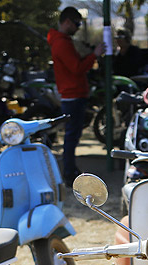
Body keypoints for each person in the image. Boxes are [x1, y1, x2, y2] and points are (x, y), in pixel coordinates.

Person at [47, 6, 104, 185]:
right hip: (73, 95)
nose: (78, 27)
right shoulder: (61, 43)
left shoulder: (62, 41)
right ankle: (69, 172)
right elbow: (76, 68)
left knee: (72, 136)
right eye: (77, 23)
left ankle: (70, 170)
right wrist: (93, 56)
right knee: (71, 137)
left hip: (73, 94)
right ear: (67, 22)